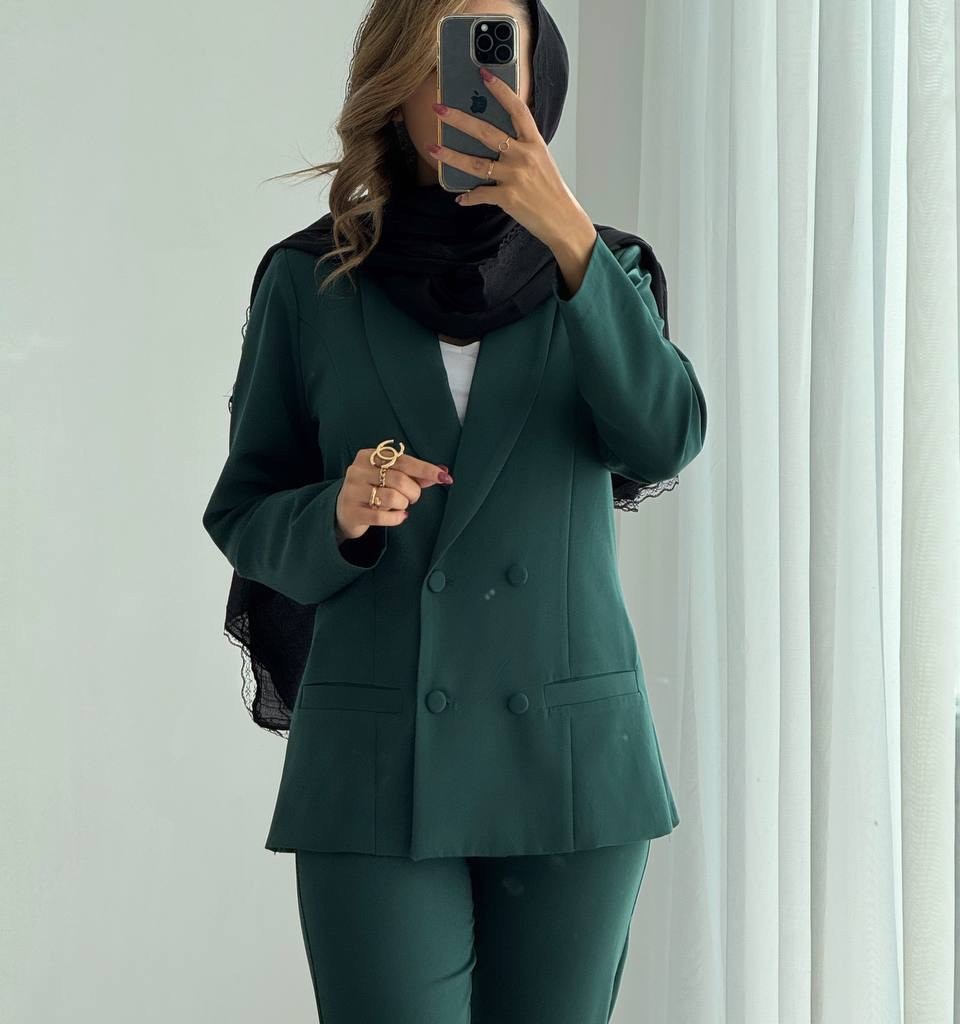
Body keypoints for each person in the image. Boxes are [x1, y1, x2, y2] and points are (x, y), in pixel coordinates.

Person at [201, 1, 707, 1021]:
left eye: (492, 52)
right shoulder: (311, 280)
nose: (463, 91)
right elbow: (245, 511)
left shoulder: (607, 269)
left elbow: (664, 439)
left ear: (538, 73)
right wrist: (337, 513)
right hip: (376, 762)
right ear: (395, 84)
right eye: (441, 58)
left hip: (571, 763)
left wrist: (569, 235)